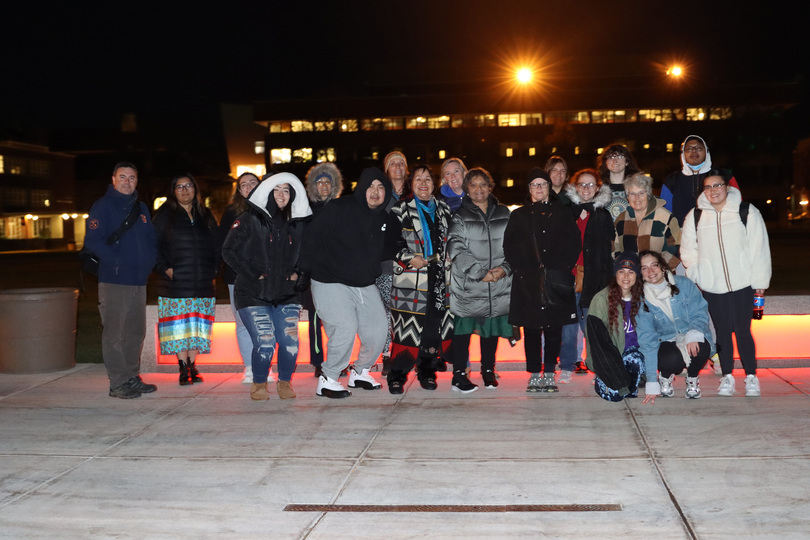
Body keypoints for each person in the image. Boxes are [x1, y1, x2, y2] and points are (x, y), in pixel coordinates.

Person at [300, 167, 397, 398]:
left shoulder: (384, 218)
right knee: (345, 327)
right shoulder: (339, 208)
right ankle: (328, 378)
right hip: (329, 279)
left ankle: (360, 371)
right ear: (362, 188)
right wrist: (303, 270)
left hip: (363, 282)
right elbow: (311, 236)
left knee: (378, 328)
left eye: (381, 187)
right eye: (371, 186)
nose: (375, 192)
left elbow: (390, 248)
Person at [680, 169, 771, 397]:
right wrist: (698, 275)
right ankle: (727, 377)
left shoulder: (746, 211)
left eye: (717, 185)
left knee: (743, 330)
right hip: (712, 285)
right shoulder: (695, 215)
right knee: (721, 332)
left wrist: (759, 281)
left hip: (743, 284)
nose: (713, 191)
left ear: (727, 187)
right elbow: (688, 250)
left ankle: (751, 377)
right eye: (708, 187)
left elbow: (759, 248)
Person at [222, 172, 311, 401]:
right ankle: (259, 383)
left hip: (287, 294)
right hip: (253, 294)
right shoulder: (249, 219)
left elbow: (308, 255)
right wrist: (253, 273)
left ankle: (284, 381)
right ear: (267, 191)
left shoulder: (298, 224)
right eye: (277, 189)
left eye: (287, 190)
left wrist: (301, 274)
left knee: (290, 342)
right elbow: (228, 251)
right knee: (265, 341)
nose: (282, 195)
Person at [503, 168, 580, 393]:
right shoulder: (519, 215)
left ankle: (549, 373)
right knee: (533, 330)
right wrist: (522, 269)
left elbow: (573, 243)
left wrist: (561, 267)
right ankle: (534, 374)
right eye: (534, 185)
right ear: (529, 189)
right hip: (528, 282)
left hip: (556, 280)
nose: (539, 188)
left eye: (543, 184)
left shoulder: (562, 213)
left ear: (549, 188)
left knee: (554, 329)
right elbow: (510, 246)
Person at [84, 162, 157, 399]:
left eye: (132, 178)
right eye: (123, 177)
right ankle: (118, 382)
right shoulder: (103, 206)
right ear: (113, 179)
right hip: (114, 281)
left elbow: (149, 241)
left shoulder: (142, 208)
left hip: (139, 281)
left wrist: (149, 264)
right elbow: (92, 241)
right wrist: (116, 261)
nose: (127, 182)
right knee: (114, 334)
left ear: (137, 181)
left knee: (135, 332)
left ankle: (131, 377)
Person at [387, 164, 454, 393]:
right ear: (411, 184)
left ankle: (427, 371)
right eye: (418, 179)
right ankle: (396, 375)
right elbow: (390, 245)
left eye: (428, 179)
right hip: (411, 280)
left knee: (432, 330)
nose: (423, 183)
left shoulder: (444, 210)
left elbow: (453, 241)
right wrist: (408, 257)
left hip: (439, 279)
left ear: (434, 185)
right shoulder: (400, 209)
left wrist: (452, 255)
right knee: (406, 331)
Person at [447, 167, 512, 393]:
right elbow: (455, 247)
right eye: (473, 185)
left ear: (490, 187)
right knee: (463, 331)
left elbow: (515, 246)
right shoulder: (460, 215)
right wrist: (479, 272)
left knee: (490, 329)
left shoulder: (504, 213)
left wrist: (504, 269)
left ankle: (487, 370)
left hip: (498, 284)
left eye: (483, 184)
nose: (478, 189)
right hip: (469, 285)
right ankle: (458, 375)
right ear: (467, 189)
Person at [153, 173, 219, 386]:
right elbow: (152, 247)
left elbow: (217, 246)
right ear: (173, 191)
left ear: (195, 189)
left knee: (197, 325)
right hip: (175, 283)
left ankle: (193, 365)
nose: (184, 190)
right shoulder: (164, 215)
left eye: (188, 185)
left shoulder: (205, 215)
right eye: (179, 186)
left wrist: (214, 269)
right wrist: (165, 269)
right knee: (179, 327)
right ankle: (182, 367)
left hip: (202, 282)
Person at [558, 168, 615, 382]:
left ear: (598, 188)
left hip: (595, 278)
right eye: (582, 184)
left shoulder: (602, 215)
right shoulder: (566, 212)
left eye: (591, 185)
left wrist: (607, 282)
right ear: (575, 187)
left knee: (592, 325)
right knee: (568, 326)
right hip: (570, 278)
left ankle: (597, 365)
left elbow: (607, 250)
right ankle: (567, 365)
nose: (586, 189)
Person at [637, 250, 714, 403]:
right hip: (666, 340)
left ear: (663, 267)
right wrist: (651, 381)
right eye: (644, 268)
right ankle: (664, 376)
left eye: (654, 266)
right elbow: (647, 339)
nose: (651, 271)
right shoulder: (642, 301)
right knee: (670, 360)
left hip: (690, 331)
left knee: (700, 347)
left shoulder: (684, 284)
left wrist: (693, 333)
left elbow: (699, 312)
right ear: (641, 274)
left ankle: (692, 378)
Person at [219, 172, 268, 384]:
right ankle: (249, 367)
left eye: (252, 183)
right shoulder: (232, 212)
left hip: (266, 277)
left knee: (266, 323)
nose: (248, 187)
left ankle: (265, 366)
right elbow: (224, 246)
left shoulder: (271, 210)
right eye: (243, 185)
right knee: (242, 323)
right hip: (237, 277)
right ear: (239, 190)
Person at [585, 252, 645, 402]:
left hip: (634, 355)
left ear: (637, 275)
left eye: (631, 272)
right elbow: (599, 344)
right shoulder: (600, 300)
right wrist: (615, 377)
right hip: (610, 357)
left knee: (635, 359)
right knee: (615, 396)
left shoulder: (642, 298)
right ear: (615, 274)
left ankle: (636, 378)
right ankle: (611, 380)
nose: (626, 277)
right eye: (621, 271)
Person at [303, 162, 344, 378]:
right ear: (313, 186)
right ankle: (318, 362)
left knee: (339, 321)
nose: (324, 186)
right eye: (320, 182)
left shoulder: (341, 209)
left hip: (338, 274)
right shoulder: (306, 211)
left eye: (328, 182)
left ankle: (338, 359)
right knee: (315, 322)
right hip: (314, 275)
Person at [376, 151, 410, 376]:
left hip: (412, 263)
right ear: (387, 170)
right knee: (386, 311)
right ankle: (387, 354)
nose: (397, 167)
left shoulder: (415, 193)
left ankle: (408, 353)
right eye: (392, 164)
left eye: (401, 164)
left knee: (408, 311)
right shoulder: (379, 195)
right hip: (385, 263)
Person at [661, 135, 740, 227]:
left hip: (718, 231)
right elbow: (664, 212)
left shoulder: (723, 175)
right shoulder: (672, 180)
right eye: (689, 149)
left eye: (698, 148)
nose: (694, 151)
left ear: (706, 151)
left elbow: (737, 202)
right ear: (683, 153)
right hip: (681, 236)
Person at [613, 173, 682, 271]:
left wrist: (660, 269)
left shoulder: (665, 216)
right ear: (627, 197)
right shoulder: (621, 219)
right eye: (632, 194)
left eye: (641, 193)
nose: (637, 198)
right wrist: (624, 268)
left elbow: (677, 246)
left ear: (648, 194)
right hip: (631, 278)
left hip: (658, 276)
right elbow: (614, 247)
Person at [597, 144, 640, 219]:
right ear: (606, 163)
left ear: (627, 162)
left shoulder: (637, 188)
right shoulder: (597, 189)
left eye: (620, 157)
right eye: (611, 157)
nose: (615, 161)